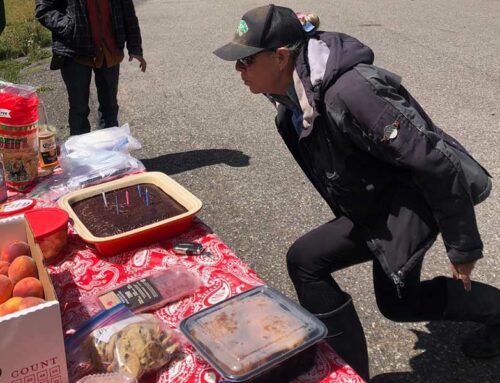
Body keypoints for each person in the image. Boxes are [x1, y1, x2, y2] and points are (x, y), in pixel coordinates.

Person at [213, 4, 500, 381]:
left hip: (409, 204)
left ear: (281, 57)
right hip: (376, 202)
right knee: (398, 304)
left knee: (307, 262)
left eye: (246, 61)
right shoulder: (290, 104)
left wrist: (463, 246)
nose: (238, 70)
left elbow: (435, 163)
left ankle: (348, 373)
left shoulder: (351, 94)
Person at [35, 0, 147, 136]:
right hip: (75, 50)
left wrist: (135, 47)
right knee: (79, 108)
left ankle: (109, 151)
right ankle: (81, 154)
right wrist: (70, 27)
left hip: (109, 50)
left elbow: (128, 11)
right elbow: (44, 9)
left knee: (110, 105)